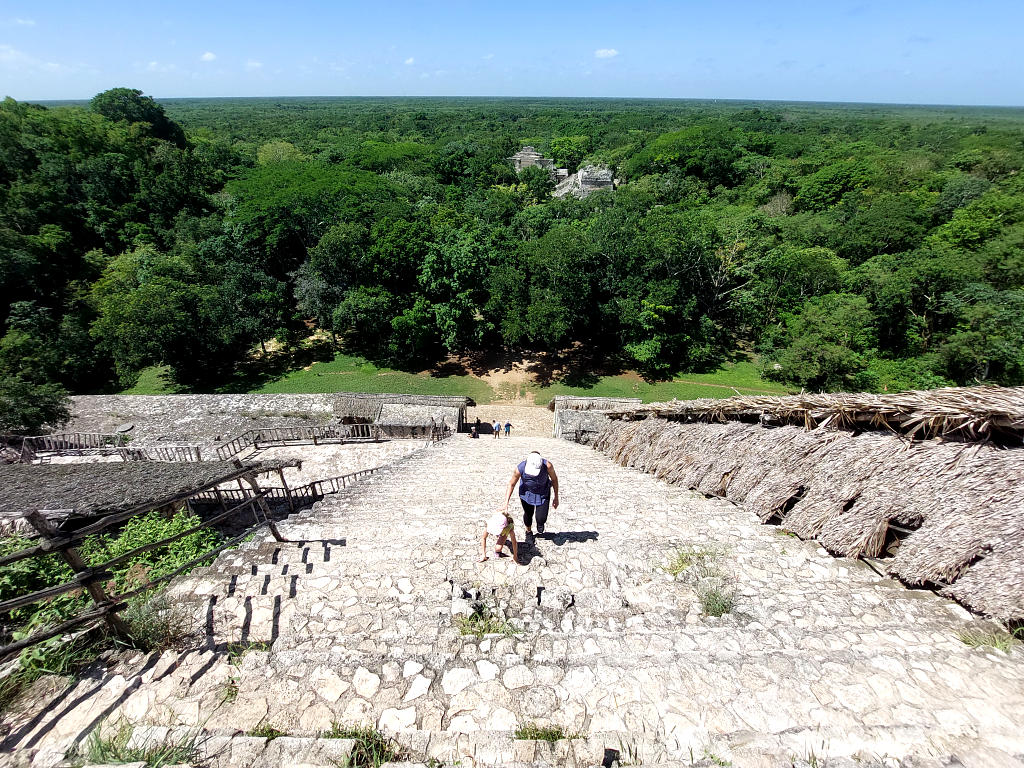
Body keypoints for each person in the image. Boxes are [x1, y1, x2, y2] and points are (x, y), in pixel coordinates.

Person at [501, 451, 559, 537]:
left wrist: (556, 497)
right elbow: (511, 484)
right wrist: (506, 503)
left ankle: (540, 523)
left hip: (543, 492)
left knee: (541, 518)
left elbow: (554, 480)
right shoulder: (520, 468)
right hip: (527, 493)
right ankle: (528, 531)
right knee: (528, 514)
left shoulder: (548, 466)